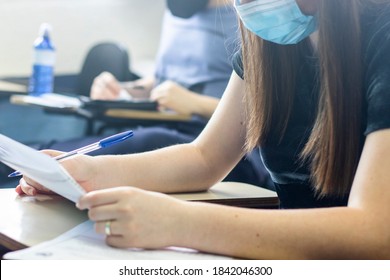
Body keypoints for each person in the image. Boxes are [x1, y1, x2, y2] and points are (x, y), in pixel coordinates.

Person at [16, 0, 390, 259]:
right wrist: (85, 172)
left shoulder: (382, 34)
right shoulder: (273, 40)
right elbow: (204, 157)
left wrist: (180, 222)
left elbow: (374, 232)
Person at [46, 0, 272, 188]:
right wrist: (126, 90)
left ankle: (48, 168)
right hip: (166, 125)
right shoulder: (179, 11)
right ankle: (34, 162)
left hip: (216, 143)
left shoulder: (249, 18)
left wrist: (195, 103)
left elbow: (260, 110)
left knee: (149, 140)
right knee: (106, 141)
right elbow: (164, 79)